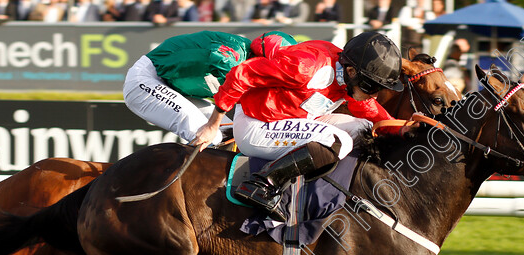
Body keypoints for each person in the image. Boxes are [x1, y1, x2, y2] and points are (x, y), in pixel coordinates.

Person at [192, 32, 408, 221]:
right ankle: (263, 183)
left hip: (293, 120)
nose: (375, 94)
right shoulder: (306, 66)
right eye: (373, 86)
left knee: (363, 127)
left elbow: (368, 109)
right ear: (351, 72)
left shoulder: (345, 72)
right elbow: (242, 74)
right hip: (257, 125)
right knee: (339, 141)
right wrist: (213, 124)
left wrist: (403, 129)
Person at [123, 31, 296, 146]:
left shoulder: (248, 61)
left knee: (231, 132)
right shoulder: (232, 56)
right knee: (210, 135)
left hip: (174, 85)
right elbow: (236, 92)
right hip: (146, 80)